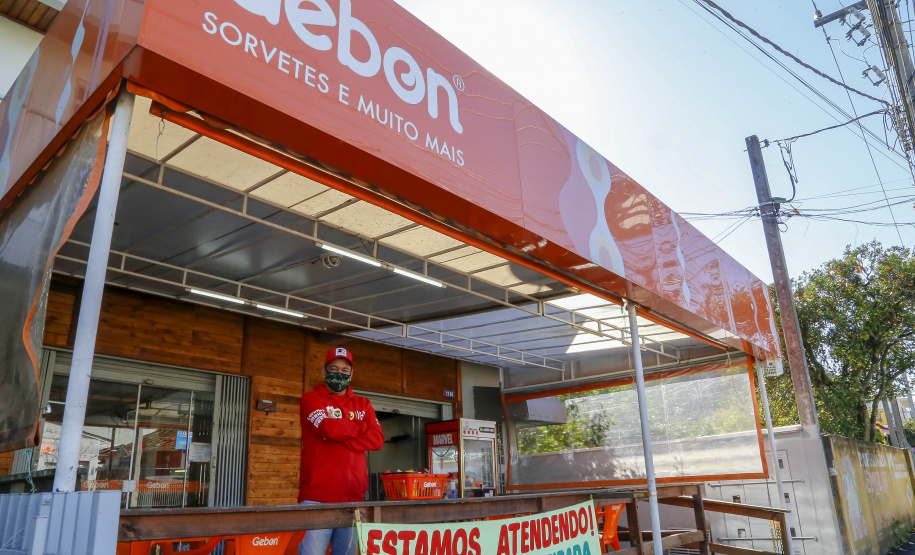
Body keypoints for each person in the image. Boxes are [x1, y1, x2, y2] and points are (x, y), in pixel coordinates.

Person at [298, 347, 384, 555]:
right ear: (323, 372)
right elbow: (327, 427)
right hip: (317, 498)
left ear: (351, 374)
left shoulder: (363, 404)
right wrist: (361, 429)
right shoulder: (311, 400)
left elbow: (377, 439)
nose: (340, 373)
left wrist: (342, 437)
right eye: (334, 368)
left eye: (345, 370)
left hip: (353, 500)